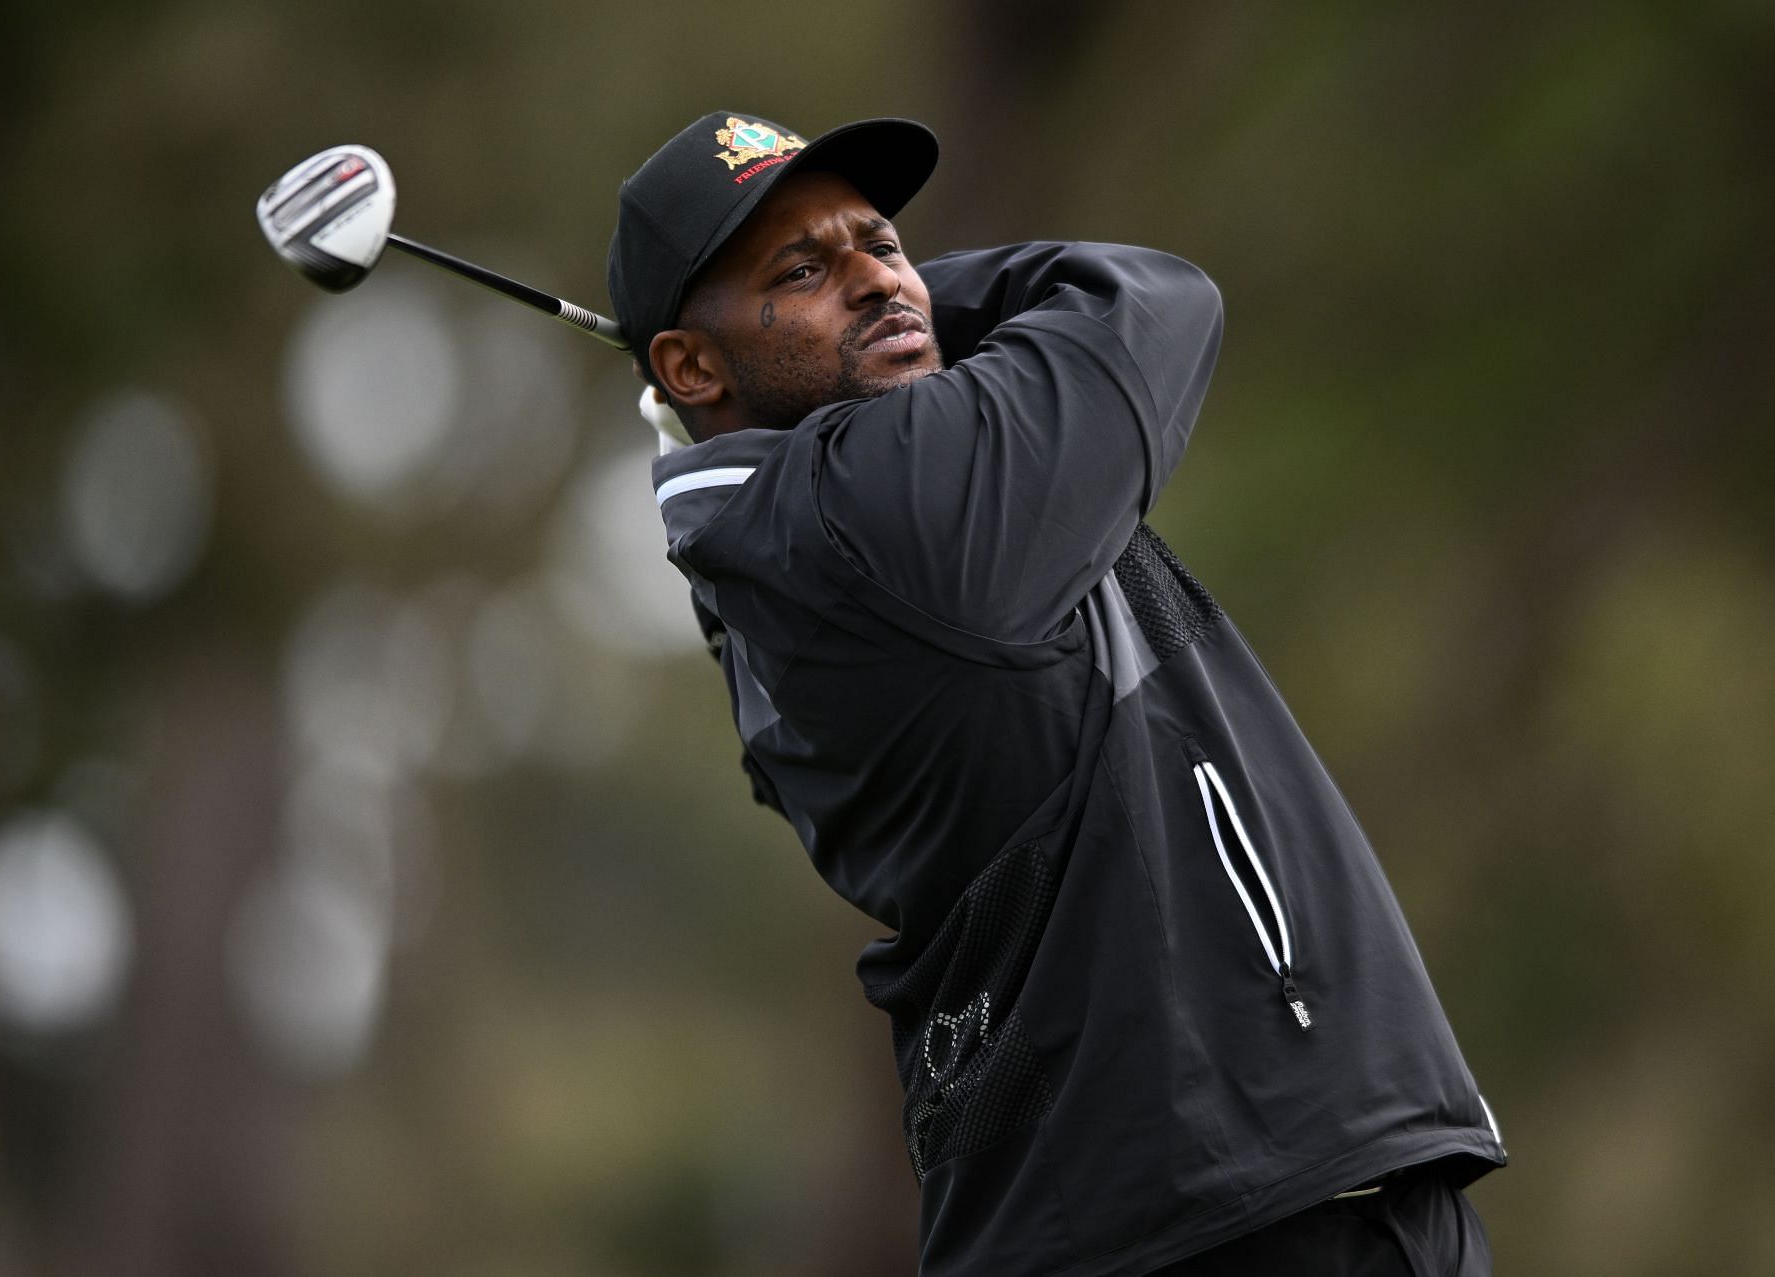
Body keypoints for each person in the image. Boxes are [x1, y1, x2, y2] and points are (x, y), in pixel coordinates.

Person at [606, 111, 1506, 1276]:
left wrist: (891, 306)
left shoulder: (773, 545)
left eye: (883, 244)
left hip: (1197, 1203)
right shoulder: (874, 508)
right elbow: (1151, 301)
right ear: (690, 365)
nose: (880, 281)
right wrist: (938, 305)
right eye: (802, 270)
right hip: (1221, 1219)